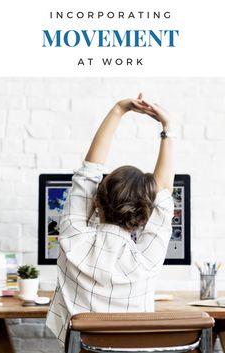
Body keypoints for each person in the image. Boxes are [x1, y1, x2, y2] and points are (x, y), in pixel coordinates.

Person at [46, 93, 175, 345]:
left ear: (96, 202)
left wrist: (119, 109)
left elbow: (87, 174)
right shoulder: (147, 260)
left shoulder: (73, 239)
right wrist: (167, 129)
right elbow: (163, 197)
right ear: (144, 216)